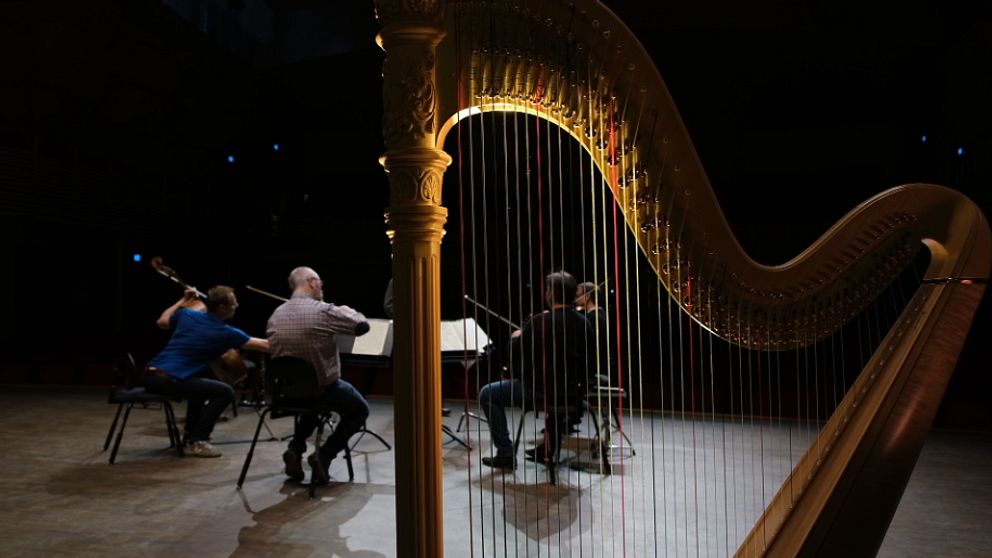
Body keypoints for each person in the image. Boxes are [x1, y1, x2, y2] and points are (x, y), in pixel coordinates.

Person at [478, 271, 593, 470]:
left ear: (550, 293)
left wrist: (517, 337)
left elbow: (515, 358)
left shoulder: (539, 322)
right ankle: (548, 447)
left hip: (538, 393)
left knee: (487, 393)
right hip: (573, 395)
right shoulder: (585, 323)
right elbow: (590, 362)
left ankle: (505, 453)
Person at [266, 266, 371, 484]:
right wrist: (347, 310)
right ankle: (324, 456)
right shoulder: (323, 311)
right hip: (322, 390)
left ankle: (296, 447)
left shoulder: (276, 314)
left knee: (312, 403)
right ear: (312, 282)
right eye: (320, 282)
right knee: (360, 410)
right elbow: (362, 326)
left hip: (286, 393)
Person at [145, 286, 270, 458]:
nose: (237, 306)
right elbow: (265, 346)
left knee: (201, 386)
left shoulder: (187, 314)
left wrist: (183, 300)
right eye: (233, 304)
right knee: (225, 392)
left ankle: (190, 436)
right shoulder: (226, 332)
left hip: (149, 376)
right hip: (168, 380)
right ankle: (199, 441)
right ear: (222, 308)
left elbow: (162, 321)